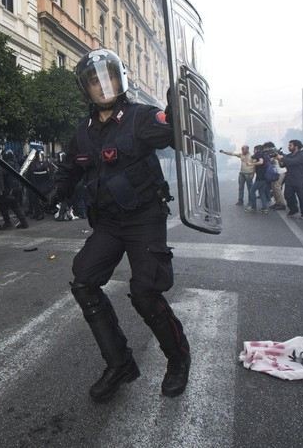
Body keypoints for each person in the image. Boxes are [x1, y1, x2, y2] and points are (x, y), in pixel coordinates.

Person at [52, 48, 190, 402]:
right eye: (94, 80)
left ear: (120, 79)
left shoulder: (141, 118)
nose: (103, 85)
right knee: (84, 282)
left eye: (108, 77)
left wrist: (179, 100)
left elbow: (176, 134)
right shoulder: (82, 132)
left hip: (144, 218)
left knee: (145, 292)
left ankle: (178, 359)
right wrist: (55, 192)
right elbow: (69, 170)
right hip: (109, 223)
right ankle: (120, 363)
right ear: (86, 89)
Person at [277, 139, 303, 218]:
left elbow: (293, 162)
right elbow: (283, 165)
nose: (288, 147)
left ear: (296, 147)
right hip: (290, 179)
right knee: (288, 195)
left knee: (302, 197)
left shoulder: (302, 154)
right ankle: (293, 209)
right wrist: (279, 159)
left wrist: (282, 158)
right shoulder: (289, 155)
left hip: (301, 179)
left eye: (290, 145)